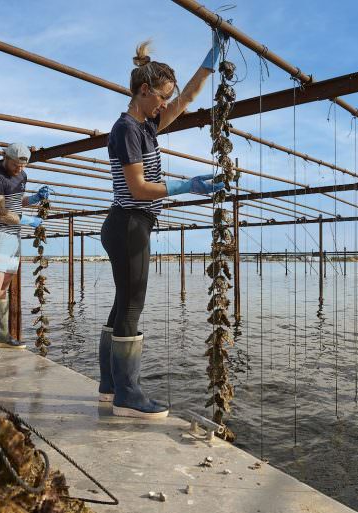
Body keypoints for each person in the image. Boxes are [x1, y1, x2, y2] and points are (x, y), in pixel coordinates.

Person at [99, 34, 226, 419]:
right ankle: (128, 394)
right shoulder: (127, 130)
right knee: (132, 305)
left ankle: (110, 387)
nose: (166, 103)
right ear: (142, 91)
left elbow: (186, 99)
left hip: (129, 224)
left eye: (166, 96)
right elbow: (138, 188)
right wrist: (184, 186)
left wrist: (210, 61)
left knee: (122, 303)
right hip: (129, 223)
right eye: (161, 96)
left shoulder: (148, 126)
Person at [0, 143, 49, 360]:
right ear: (6, 157)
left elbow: (16, 203)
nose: (19, 169)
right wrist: (28, 221)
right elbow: (1, 212)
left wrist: (35, 199)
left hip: (14, 237)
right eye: (15, 164)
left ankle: (2, 336)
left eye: (22, 166)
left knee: (4, 287)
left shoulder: (23, 176)